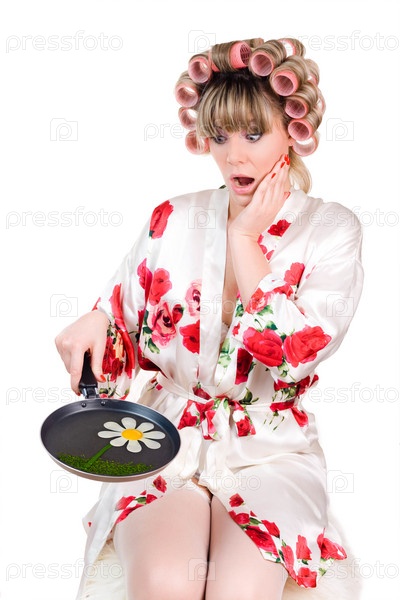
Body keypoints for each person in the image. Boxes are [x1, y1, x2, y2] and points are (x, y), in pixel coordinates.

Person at [56, 36, 363, 600]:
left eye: (253, 134)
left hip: (272, 449)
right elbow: (122, 337)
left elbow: (296, 355)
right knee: (166, 583)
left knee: (236, 590)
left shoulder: (331, 231)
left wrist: (245, 239)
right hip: (164, 435)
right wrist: (96, 332)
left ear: (292, 132)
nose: (234, 156)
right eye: (220, 137)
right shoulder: (173, 217)